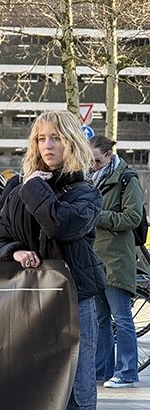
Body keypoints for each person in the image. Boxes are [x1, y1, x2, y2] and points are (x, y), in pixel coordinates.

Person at [0, 110, 105, 410]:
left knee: (73, 399)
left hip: (74, 302)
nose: (47, 146)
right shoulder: (17, 188)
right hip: (25, 304)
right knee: (24, 396)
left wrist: (34, 190)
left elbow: (61, 225)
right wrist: (13, 252)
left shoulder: (84, 191)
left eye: (55, 138)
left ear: (72, 142)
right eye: (40, 139)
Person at [89, 134, 144, 388]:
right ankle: (102, 370)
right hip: (96, 258)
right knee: (101, 319)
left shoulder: (126, 179)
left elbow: (133, 217)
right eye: (90, 162)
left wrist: (98, 217)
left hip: (117, 258)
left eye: (97, 161)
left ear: (109, 156)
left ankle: (127, 371)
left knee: (121, 317)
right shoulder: (91, 179)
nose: (93, 166)